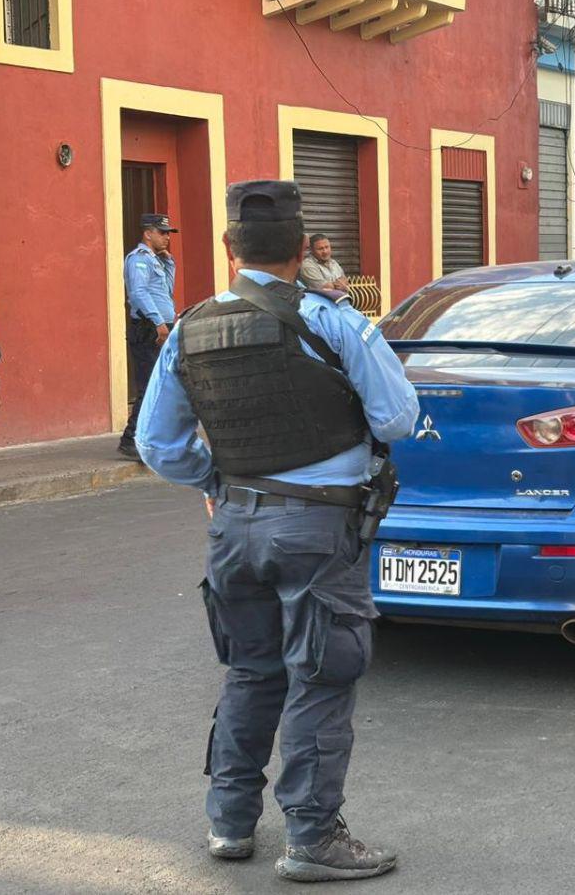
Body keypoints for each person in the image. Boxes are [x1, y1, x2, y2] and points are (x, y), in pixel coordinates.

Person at [135, 180, 418, 882]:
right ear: (301, 251)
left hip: (235, 526)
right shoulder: (336, 322)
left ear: (230, 249)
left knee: (250, 673)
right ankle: (313, 838)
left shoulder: (193, 326)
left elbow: (159, 445)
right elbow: (397, 420)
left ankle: (229, 824)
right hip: (320, 529)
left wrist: (216, 482)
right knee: (321, 677)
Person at [119, 213, 178, 461]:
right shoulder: (139, 260)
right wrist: (158, 323)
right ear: (148, 233)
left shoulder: (157, 260)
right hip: (148, 329)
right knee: (149, 385)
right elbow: (139, 293)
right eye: (162, 232)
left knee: (163, 383)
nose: (166, 237)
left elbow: (167, 292)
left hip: (161, 327)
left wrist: (170, 263)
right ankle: (130, 439)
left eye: (168, 233)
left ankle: (151, 437)